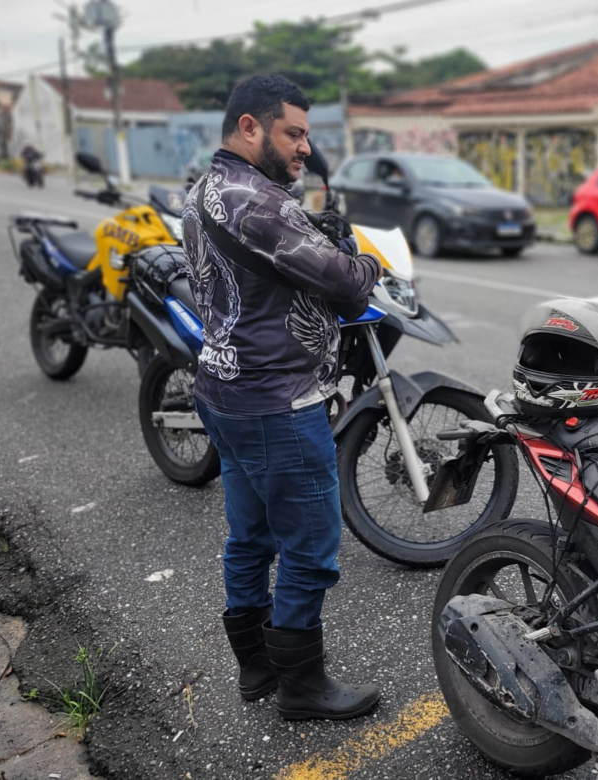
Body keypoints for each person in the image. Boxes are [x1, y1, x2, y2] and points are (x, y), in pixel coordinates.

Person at [180, 74, 383, 721]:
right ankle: (302, 685)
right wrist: (368, 262)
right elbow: (349, 286)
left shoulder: (204, 190)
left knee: (251, 536)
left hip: (223, 390)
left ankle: (257, 668)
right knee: (310, 545)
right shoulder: (261, 204)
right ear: (250, 127)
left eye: (306, 136)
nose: (304, 148)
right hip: (276, 401)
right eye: (293, 133)